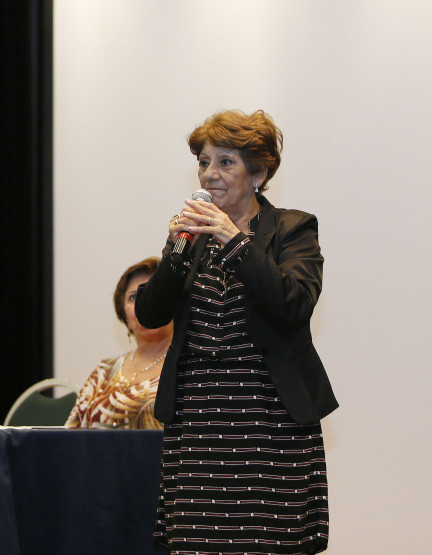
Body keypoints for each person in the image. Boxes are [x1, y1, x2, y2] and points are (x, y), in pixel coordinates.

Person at [135, 109, 337, 554]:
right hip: (199, 422)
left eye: (226, 162)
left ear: (259, 172)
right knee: (196, 541)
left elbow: (294, 302)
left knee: (269, 540)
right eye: (204, 162)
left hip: (270, 422)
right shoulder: (193, 236)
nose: (210, 175)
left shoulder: (293, 229)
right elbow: (149, 315)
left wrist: (235, 241)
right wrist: (174, 253)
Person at [66, 257, 173, 429]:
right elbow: (70, 438)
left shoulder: (191, 369)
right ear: (123, 314)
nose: (146, 302)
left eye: (155, 291)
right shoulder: (103, 373)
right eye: (133, 297)